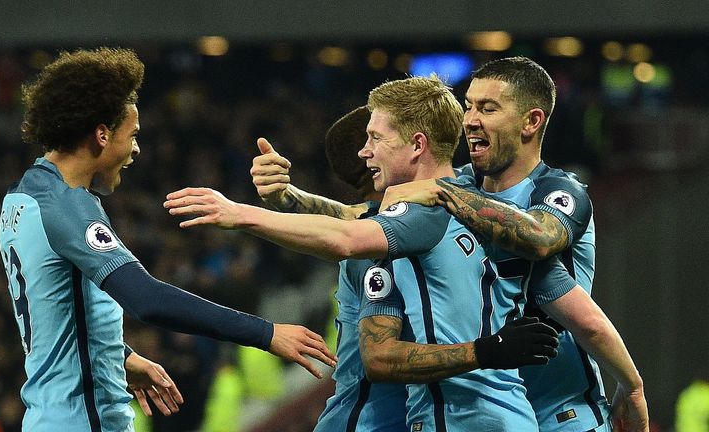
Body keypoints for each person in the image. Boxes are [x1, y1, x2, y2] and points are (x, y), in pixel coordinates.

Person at [165, 75, 573, 431]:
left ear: (415, 145)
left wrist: (244, 212)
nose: (366, 150)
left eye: (375, 139)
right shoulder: (461, 213)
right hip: (392, 418)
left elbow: (347, 233)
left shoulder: (428, 216)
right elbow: (350, 225)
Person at [0, 47, 336, 432]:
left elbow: (54, 313)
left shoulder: (22, 197)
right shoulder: (68, 207)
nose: (137, 149)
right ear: (102, 134)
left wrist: (119, 357)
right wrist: (266, 332)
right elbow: (147, 300)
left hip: (51, 416)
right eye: (133, 135)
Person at [376, 57, 648, 432]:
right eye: (468, 105)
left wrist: (631, 385)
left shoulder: (559, 191)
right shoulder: (458, 186)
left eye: (487, 108)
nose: (469, 119)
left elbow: (539, 239)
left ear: (531, 121)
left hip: (564, 412)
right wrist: (289, 199)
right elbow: (364, 221)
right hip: (491, 411)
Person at [255, 106, 558, 431]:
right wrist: (487, 350)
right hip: (363, 424)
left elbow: (355, 213)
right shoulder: (376, 249)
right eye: (377, 138)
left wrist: (289, 197)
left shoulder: (416, 217)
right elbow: (380, 359)